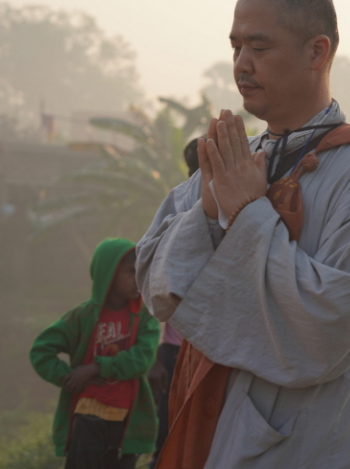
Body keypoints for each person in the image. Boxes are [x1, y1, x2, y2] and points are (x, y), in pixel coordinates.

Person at [135, 0, 350, 469]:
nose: (242, 64)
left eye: (259, 47)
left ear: (317, 52)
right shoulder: (241, 159)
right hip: (213, 428)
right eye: (236, 46)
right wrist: (213, 210)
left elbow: (325, 327)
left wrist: (247, 213)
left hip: (313, 445)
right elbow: (156, 280)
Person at [29, 238, 159, 469]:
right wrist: (69, 377)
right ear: (107, 274)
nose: (137, 278)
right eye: (130, 272)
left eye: (140, 271)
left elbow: (142, 359)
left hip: (127, 416)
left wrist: (96, 368)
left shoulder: (145, 317)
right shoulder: (81, 317)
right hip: (88, 414)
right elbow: (41, 351)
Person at [147, 138, 199, 466]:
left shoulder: (181, 204)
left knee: (177, 431)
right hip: (183, 347)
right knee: (173, 431)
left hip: (187, 345)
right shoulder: (188, 206)